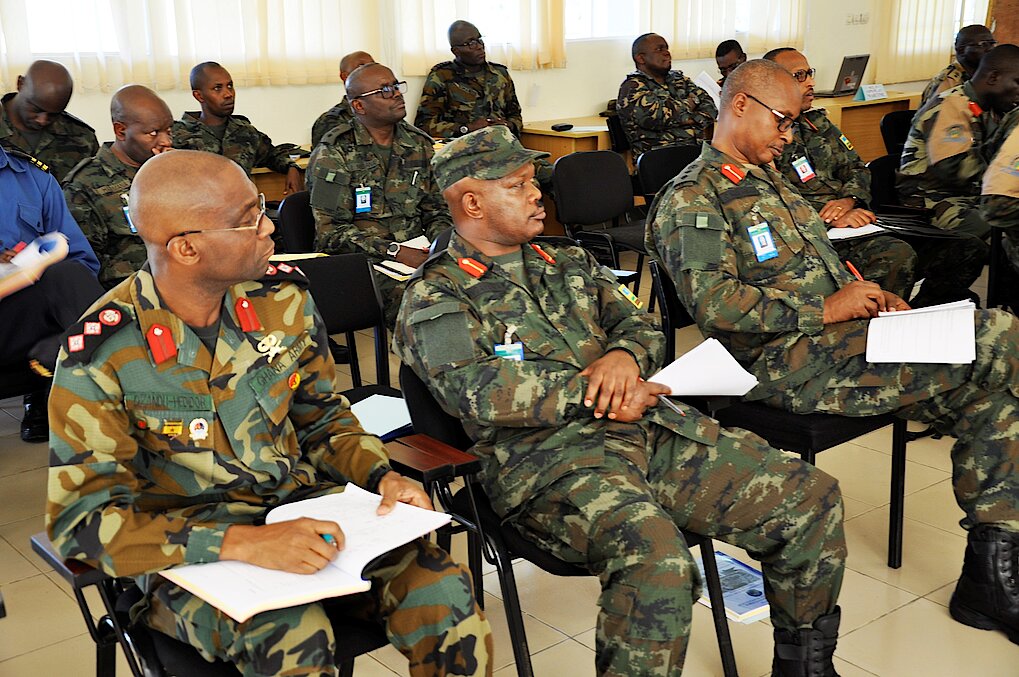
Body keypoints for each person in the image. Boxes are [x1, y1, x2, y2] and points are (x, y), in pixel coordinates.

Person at [394, 125, 847, 676]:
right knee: (658, 565)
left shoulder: (568, 260)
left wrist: (625, 358)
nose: (537, 194)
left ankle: (805, 668)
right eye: (518, 185)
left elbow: (641, 324)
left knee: (810, 498)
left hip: (650, 430)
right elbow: (475, 390)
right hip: (549, 463)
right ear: (472, 203)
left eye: (534, 181)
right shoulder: (435, 293)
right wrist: (600, 391)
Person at [45, 149, 492, 677]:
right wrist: (245, 543)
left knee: (445, 593)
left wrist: (381, 477)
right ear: (186, 247)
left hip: (301, 511)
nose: (269, 227)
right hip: (189, 549)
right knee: (292, 636)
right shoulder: (103, 350)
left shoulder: (281, 299)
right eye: (248, 219)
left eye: (261, 208)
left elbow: (323, 419)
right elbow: (82, 523)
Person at [648, 58, 1019, 649]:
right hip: (776, 364)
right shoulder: (693, 197)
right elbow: (716, 306)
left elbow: (818, 266)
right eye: (782, 120)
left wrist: (866, 293)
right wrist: (825, 308)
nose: (788, 135)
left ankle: (990, 576)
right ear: (739, 105)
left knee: (991, 397)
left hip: (835, 343)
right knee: (997, 336)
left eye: (793, 124)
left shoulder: (770, 181)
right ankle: (991, 577)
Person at [767, 47, 984, 307]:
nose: (811, 82)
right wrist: (830, 218)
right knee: (897, 256)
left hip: (860, 219)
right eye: (799, 76)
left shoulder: (818, 124)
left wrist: (849, 200)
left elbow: (858, 168)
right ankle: (875, 323)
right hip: (815, 232)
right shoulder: (766, 134)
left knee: (967, 247)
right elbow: (772, 198)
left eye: (809, 73)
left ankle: (917, 311)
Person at [308, 63, 451, 329]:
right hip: (362, 263)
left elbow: (437, 210)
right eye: (384, 90)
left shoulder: (418, 143)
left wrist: (438, 246)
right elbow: (330, 234)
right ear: (359, 106)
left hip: (418, 254)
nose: (396, 93)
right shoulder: (334, 151)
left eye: (396, 86)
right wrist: (394, 251)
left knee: (476, 285)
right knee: (424, 303)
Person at [0, 99, 102, 443]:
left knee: (67, 275)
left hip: (22, 311)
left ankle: (64, 355)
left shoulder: (31, 178)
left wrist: (29, 262)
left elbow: (82, 261)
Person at [898, 45, 1019, 243]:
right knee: (1002, 231)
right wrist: (1004, 181)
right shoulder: (950, 104)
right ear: (993, 78)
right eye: (1018, 82)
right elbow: (954, 167)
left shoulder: (992, 108)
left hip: (971, 195)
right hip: (931, 199)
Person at [62, 85, 173, 290]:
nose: (166, 141)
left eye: (168, 131)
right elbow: (84, 266)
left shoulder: (172, 169)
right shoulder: (84, 186)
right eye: (153, 133)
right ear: (121, 131)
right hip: (129, 292)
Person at [172, 62, 304, 197]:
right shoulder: (178, 136)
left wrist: (292, 168)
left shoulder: (245, 132)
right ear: (199, 96)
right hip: (196, 207)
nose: (228, 94)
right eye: (217, 88)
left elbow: (272, 154)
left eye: (230, 86)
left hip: (241, 206)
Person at [414, 20, 523, 138]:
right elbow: (424, 125)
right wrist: (466, 128)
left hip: (502, 142)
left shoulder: (500, 74)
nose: (480, 46)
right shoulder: (441, 76)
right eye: (471, 43)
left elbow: (515, 115)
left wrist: (508, 125)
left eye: (479, 40)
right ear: (456, 51)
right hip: (463, 145)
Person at [616, 33, 718, 158]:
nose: (667, 53)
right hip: (659, 160)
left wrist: (681, 116)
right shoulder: (632, 87)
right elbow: (659, 117)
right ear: (641, 58)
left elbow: (711, 107)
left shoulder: (679, 79)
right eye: (659, 49)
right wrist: (690, 106)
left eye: (666, 48)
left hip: (697, 156)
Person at [0, 60, 99, 182]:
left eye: (54, 114)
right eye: (36, 109)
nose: (42, 120)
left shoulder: (82, 137)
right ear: (21, 84)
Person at [920, 24, 997, 108]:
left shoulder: (983, 77)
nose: (990, 49)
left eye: (992, 44)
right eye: (983, 44)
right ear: (961, 50)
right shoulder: (947, 82)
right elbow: (936, 115)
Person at [311, 50, 375, 147]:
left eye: (372, 65)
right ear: (345, 76)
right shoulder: (331, 121)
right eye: (361, 66)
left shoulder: (386, 113)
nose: (370, 71)